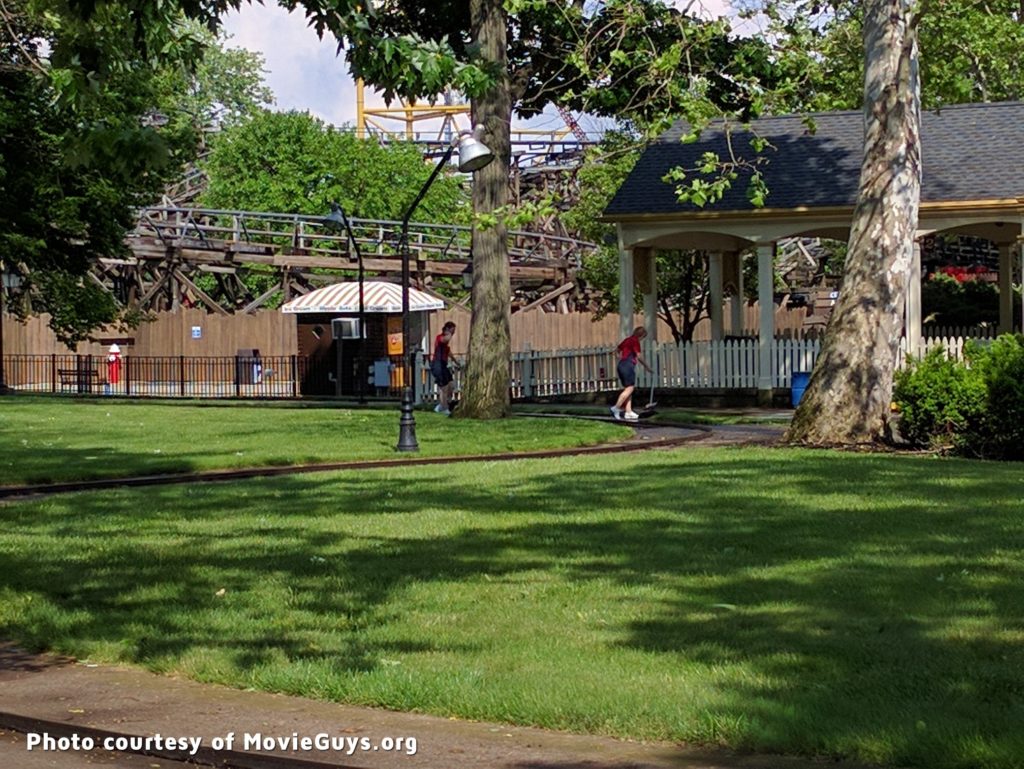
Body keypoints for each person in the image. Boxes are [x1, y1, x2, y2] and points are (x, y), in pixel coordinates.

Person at [611, 326, 651, 421]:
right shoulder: (635, 341)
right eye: (643, 337)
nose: (642, 339)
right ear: (640, 336)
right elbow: (639, 356)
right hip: (628, 366)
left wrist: (618, 356)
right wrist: (647, 367)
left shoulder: (627, 340)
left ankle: (628, 412)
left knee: (628, 389)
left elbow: (617, 349)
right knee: (630, 388)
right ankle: (616, 407)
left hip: (621, 365)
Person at [431, 321, 457, 415]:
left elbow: (449, 353)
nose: (453, 333)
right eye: (452, 331)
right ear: (447, 329)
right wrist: (448, 332)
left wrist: (456, 361)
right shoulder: (440, 338)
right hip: (437, 365)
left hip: (443, 365)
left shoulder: (446, 345)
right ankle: (443, 408)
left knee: (451, 385)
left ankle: (443, 404)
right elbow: (445, 339)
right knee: (444, 387)